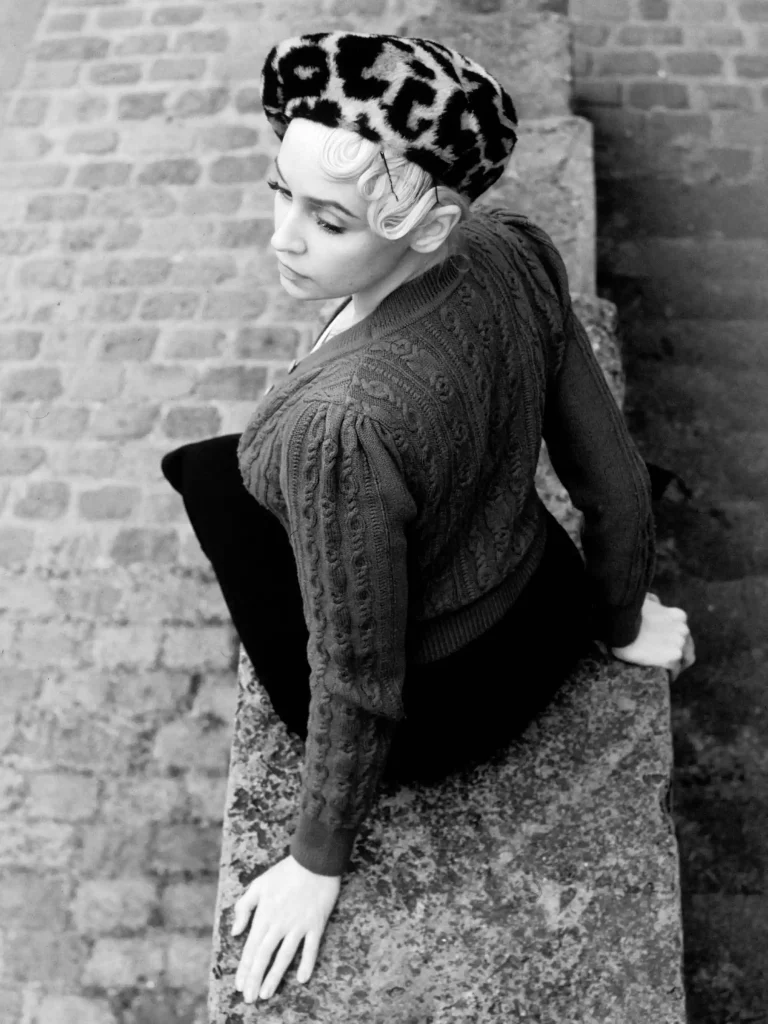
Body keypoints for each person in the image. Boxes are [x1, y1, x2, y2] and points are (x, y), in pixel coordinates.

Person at [160, 30, 695, 1005]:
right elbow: (610, 476)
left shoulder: (341, 426)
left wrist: (317, 859)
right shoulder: (516, 248)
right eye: (282, 193)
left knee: (210, 476)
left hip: (440, 705)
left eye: (329, 221)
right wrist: (620, 617)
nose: (284, 237)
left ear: (427, 222)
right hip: (545, 605)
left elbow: (358, 673)